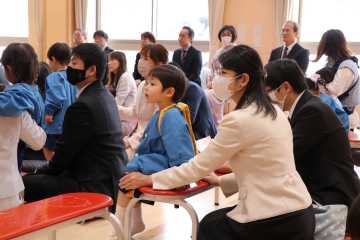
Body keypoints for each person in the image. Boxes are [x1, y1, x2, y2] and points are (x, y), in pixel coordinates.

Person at [120, 45, 315, 240]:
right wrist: (219, 180)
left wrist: (150, 179)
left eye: (223, 73)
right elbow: (265, 170)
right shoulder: (276, 112)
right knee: (212, 223)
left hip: (275, 218)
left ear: (244, 79)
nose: (216, 79)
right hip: (301, 212)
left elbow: (194, 169)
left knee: (209, 226)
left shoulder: (238, 119)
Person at [22, 43, 128, 214]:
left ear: (91, 70)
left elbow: (61, 159)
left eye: (74, 63)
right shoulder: (105, 95)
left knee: (25, 183)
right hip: (111, 181)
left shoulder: (83, 105)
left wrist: (35, 174)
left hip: (93, 186)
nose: (70, 68)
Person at [264, 59, 360, 211]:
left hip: (332, 197)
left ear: (286, 87)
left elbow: (284, 156)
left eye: (268, 91)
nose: (267, 97)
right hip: (318, 188)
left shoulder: (312, 111)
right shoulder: (305, 107)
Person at [115, 64, 194, 237]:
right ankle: (133, 222)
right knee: (128, 175)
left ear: (169, 91)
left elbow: (179, 149)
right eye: (147, 83)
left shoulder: (171, 115)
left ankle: (122, 224)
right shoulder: (162, 112)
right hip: (156, 161)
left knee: (127, 176)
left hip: (165, 166)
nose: (146, 87)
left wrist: (180, 174)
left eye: (152, 84)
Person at [110, 43, 167, 237]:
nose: (141, 63)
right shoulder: (143, 83)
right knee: (117, 158)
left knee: (123, 162)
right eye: (140, 58)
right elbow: (135, 114)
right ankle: (134, 221)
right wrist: (112, 106)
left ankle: (121, 221)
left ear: (158, 63)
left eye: (145, 59)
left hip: (151, 143)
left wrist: (131, 142)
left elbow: (153, 126)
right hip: (138, 137)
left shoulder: (161, 87)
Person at [0, 43, 45, 173]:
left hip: (17, 145)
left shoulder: (20, 93)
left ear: (9, 69)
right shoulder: (32, 90)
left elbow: (11, 105)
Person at [313, 29, 360, 130]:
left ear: (331, 46)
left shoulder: (347, 66)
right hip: (334, 113)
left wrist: (316, 84)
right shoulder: (332, 62)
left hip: (344, 116)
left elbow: (333, 91)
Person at [42, 42, 78, 161]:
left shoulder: (54, 77)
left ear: (54, 59)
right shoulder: (73, 77)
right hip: (71, 121)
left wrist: (49, 112)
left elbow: (56, 97)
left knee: (47, 146)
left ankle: (52, 168)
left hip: (56, 122)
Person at [169, 61, 217, 139]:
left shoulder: (193, 89)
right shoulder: (175, 89)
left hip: (202, 134)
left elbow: (189, 118)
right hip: (189, 130)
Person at [206, 25, 237, 127]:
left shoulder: (237, 51)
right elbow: (212, 70)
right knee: (204, 94)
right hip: (217, 81)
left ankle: (217, 123)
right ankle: (209, 123)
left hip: (231, 82)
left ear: (234, 36)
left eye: (228, 34)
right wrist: (210, 83)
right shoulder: (218, 52)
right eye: (223, 35)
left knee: (210, 95)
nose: (225, 37)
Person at [107, 51, 137, 136]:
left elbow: (118, 101)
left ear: (120, 61)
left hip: (125, 121)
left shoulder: (125, 77)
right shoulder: (120, 77)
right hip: (121, 119)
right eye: (108, 61)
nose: (109, 63)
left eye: (112, 60)